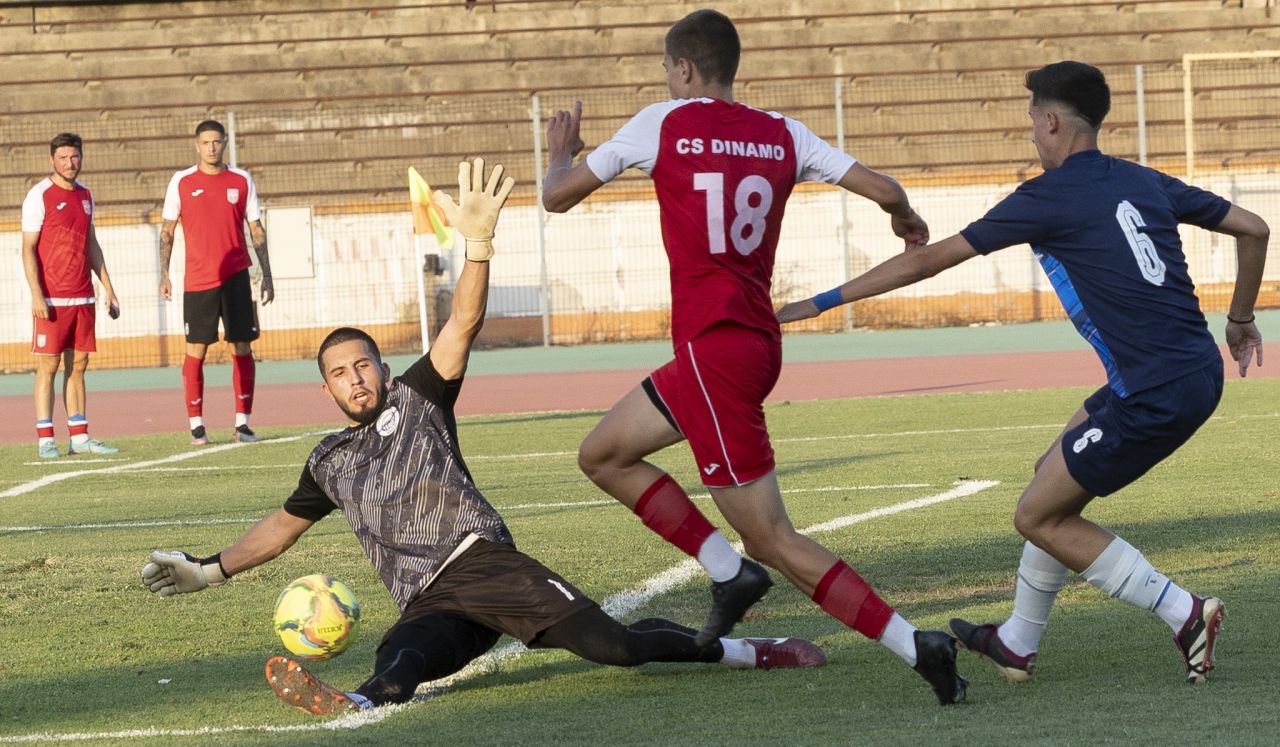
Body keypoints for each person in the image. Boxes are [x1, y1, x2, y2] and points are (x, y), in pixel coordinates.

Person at [141, 159, 826, 717]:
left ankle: (746, 650)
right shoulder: (326, 461)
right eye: (339, 374)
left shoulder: (418, 396)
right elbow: (280, 529)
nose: (354, 380)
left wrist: (476, 246)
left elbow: (462, 324)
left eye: (362, 365)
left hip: (486, 566)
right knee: (402, 657)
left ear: (381, 368)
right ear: (326, 390)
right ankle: (356, 698)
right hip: (428, 596)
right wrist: (209, 569)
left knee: (615, 646)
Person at [777, 60, 1268, 685]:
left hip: (1155, 391)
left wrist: (815, 304)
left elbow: (927, 263)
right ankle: (1016, 640)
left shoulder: (1045, 196)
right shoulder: (1143, 180)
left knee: (1037, 516)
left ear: (1054, 121)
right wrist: (1241, 317)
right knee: (1050, 474)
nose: (1032, 132)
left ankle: (1184, 612)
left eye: (1033, 119)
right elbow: (1254, 228)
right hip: (1188, 369)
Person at [542, 9, 964, 705]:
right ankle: (724, 569)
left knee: (773, 540)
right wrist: (903, 218)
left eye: (668, 71)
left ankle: (915, 645)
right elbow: (885, 187)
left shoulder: (661, 122)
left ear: (682, 69)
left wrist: (561, 150)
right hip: (750, 343)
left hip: (714, 352)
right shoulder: (783, 134)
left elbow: (557, 197)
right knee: (604, 453)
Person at [160, 119, 275, 446]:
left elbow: (257, 230)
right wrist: (164, 274)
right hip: (198, 282)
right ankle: (197, 425)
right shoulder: (181, 181)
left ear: (224, 143)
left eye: (216, 142)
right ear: (197, 145)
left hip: (237, 277)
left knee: (243, 347)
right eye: (206, 142)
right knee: (196, 350)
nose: (211, 147)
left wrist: (267, 274)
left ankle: (243, 424)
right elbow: (167, 231)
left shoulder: (241, 180)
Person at [20, 132, 120, 459]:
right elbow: (28, 249)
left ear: (81, 158)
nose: (69, 163)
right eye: (63, 157)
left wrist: (108, 288)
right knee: (48, 366)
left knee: (79, 364)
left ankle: (79, 436)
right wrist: (37, 295)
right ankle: (45, 439)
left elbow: (92, 245)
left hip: (83, 298)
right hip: (52, 299)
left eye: (74, 157)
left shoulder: (86, 195)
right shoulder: (40, 195)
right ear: (53, 160)